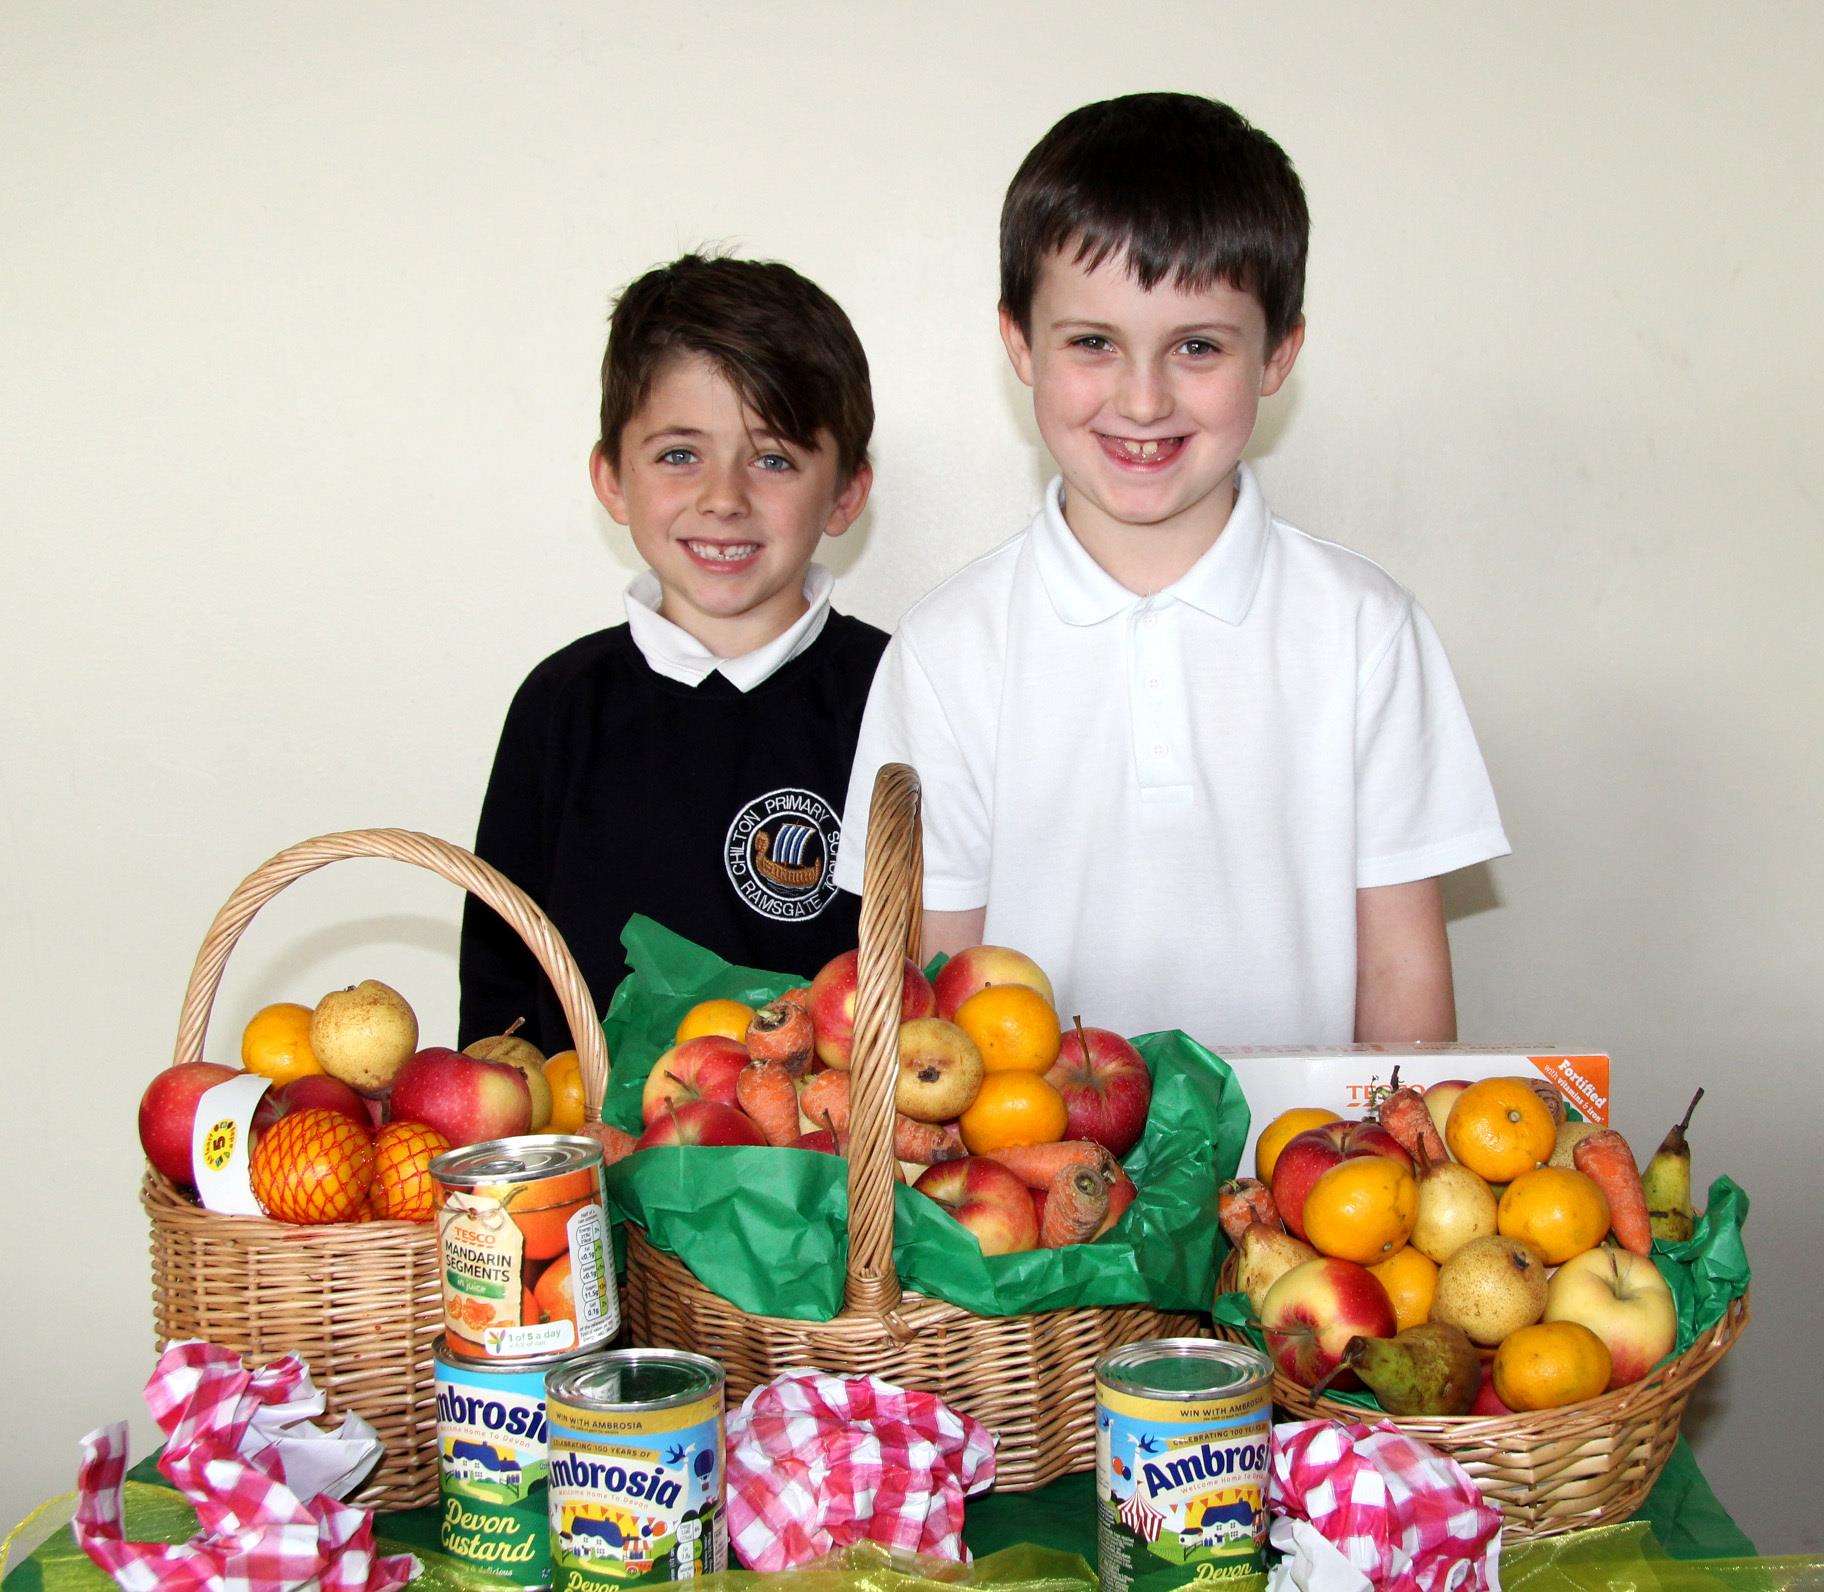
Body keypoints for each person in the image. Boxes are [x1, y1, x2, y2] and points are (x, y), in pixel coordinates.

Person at [834, 93, 1509, 1047]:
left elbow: (1401, 965)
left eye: (1197, 346)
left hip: (1308, 1184)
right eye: (1093, 343)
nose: (1142, 399)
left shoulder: (1365, 628)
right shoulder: (946, 647)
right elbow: (937, 984)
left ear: (1278, 352)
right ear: (1020, 344)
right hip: (1032, 1181)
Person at [460, 254, 886, 1053]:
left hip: (829, 1168)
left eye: (773, 459)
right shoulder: (557, 705)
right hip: (591, 1168)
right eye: (679, 455)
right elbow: (500, 992)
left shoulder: (899, 694)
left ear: (846, 493)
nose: (724, 498)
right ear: (612, 479)